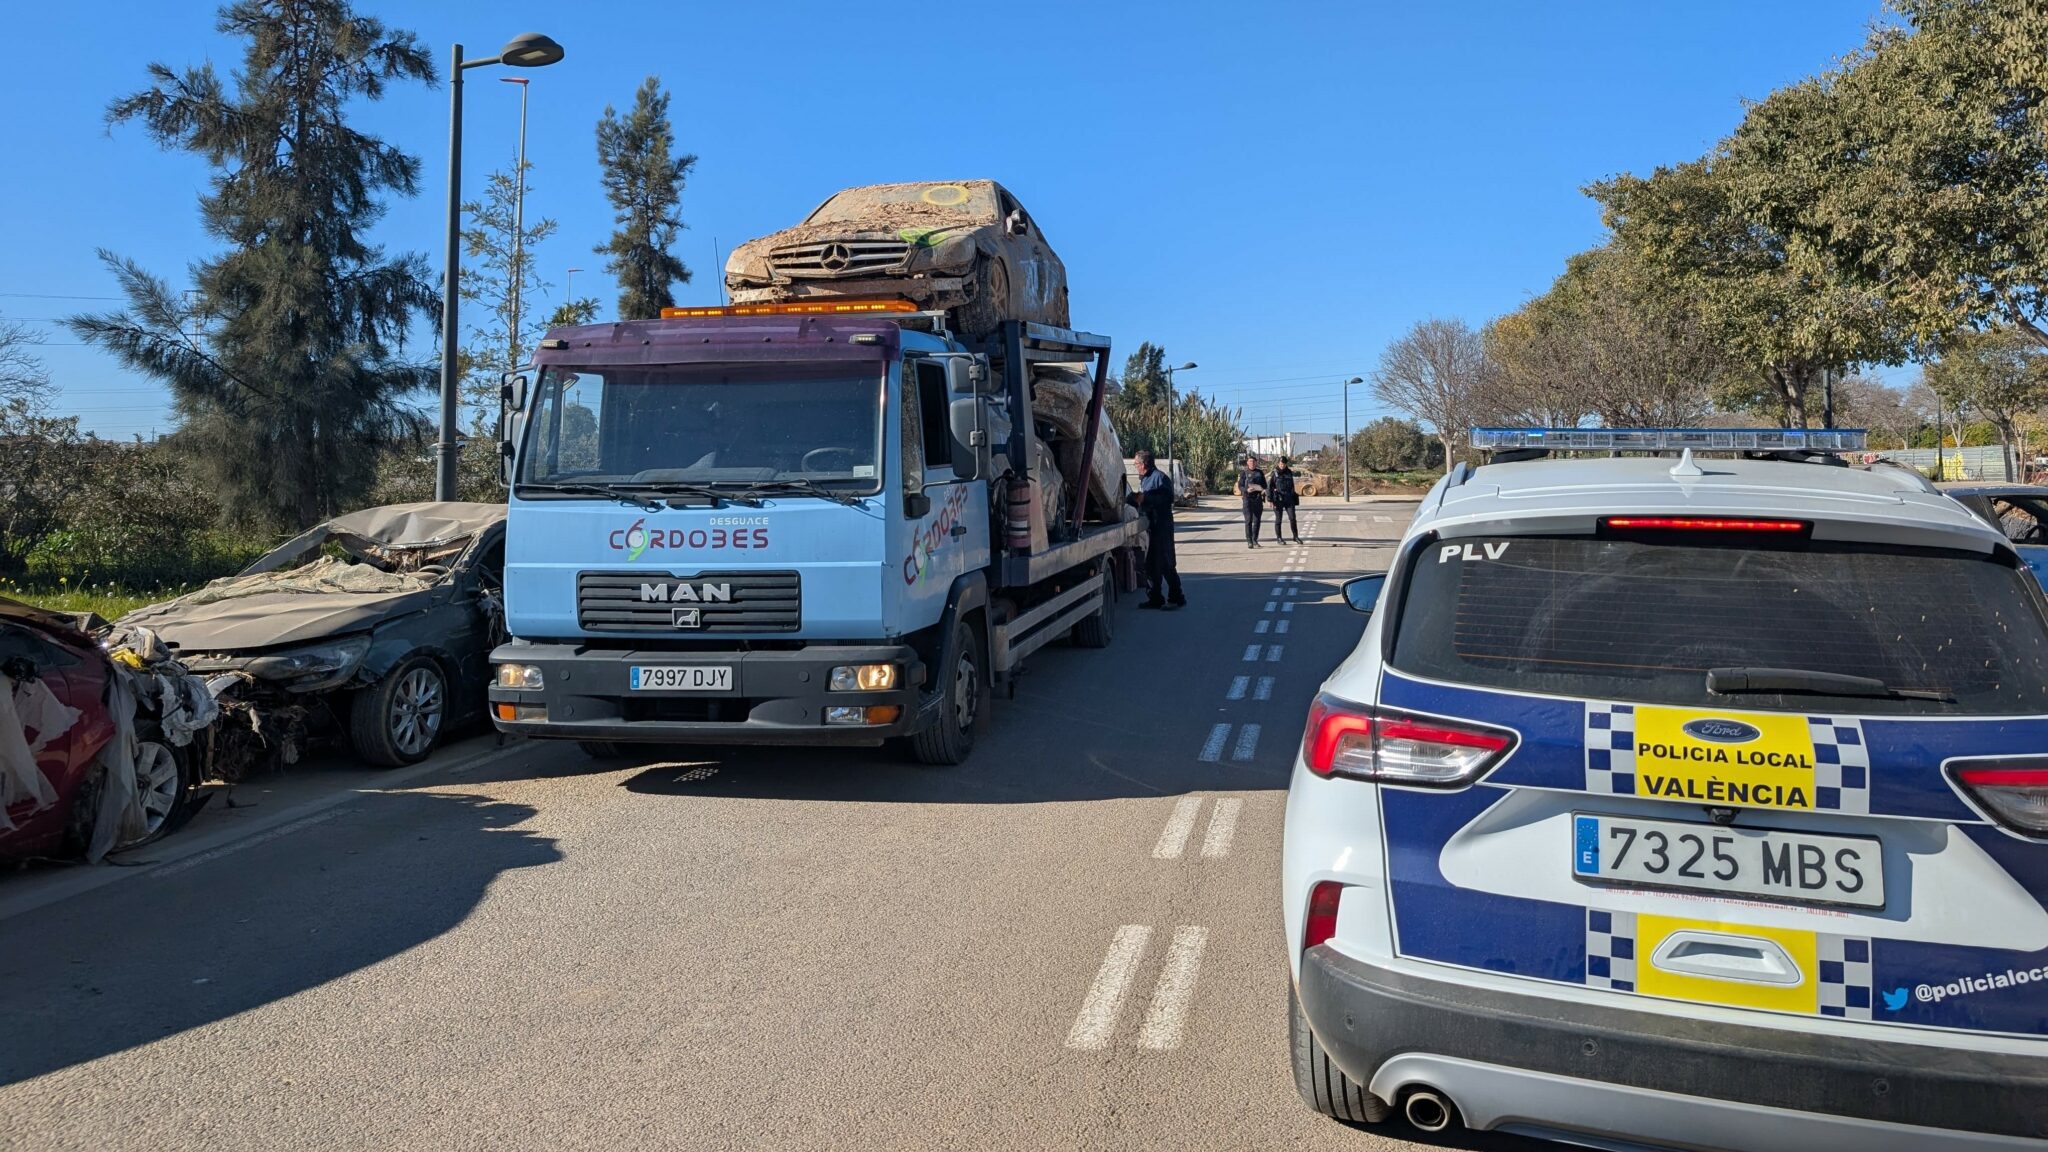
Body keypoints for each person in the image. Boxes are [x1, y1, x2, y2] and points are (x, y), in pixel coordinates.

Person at [1127, 450, 1184, 609]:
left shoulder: (1160, 477)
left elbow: (1167, 498)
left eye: (1136, 464)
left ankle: (1176, 597)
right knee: (1151, 564)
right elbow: (1143, 499)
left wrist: (1146, 498)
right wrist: (1132, 499)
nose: (1135, 467)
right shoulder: (1145, 479)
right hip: (1151, 527)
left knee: (1166, 562)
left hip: (1162, 526)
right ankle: (1155, 597)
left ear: (1144, 464)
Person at [1236, 454, 1269, 549]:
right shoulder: (1244, 473)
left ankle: (1255, 540)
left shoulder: (1260, 472)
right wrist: (1246, 490)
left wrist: (1261, 489)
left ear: (1256, 463)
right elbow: (1240, 486)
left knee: (1257, 521)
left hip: (1258, 499)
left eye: (1254, 461)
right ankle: (1249, 541)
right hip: (1247, 499)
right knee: (1248, 520)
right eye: (1250, 461)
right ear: (1247, 463)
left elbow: (1265, 485)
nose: (1252, 463)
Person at [1270, 456, 1301, 544]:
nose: (1282, 465)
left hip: (1289, 498)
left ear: (1286, 464)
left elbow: (1292, 485)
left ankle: (1295, 536)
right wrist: (1270, 499)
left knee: (1292, 518)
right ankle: (1279, 538)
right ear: (1278, 464)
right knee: (1278, 520)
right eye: (1280, 464)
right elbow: (1270, 487)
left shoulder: (1289, 472)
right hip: (1278, 499)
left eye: (1283, 464)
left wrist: (1293, 495)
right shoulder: (1274, 473)